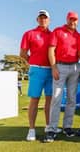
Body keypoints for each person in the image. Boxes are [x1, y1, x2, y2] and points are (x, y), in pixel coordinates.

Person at [44, 11, 80, 142]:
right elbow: (51, 50)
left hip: (75, 67)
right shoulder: (58, 31)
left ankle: (67, 127)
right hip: (60, 67)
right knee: (56, 98)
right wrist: (54, 67)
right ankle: (52, 129)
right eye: (71, 19)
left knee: (71, 99)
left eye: (75, 20)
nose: (73, 22)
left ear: (77, 21)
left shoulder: (78, 35)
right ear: (67, 19)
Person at [20, 10, 53, 141]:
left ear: (49, 20)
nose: (43, 20)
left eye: (45, 18)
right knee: (35, 99)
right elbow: (22, 53)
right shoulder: (29, 34)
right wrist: (33, 62)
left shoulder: (53, 35)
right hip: (37, 70)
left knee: (50, 100)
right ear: (37, 19)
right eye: (41, 18)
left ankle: (48, 126)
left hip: (51, 70)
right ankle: (32, 129)